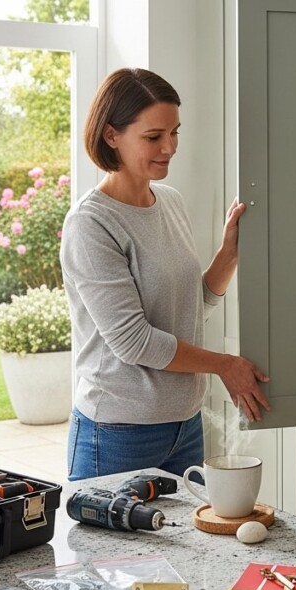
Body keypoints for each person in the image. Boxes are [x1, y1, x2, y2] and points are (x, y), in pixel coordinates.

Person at [60, 68, 270, 482]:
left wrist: (228, 253)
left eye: (175, 132)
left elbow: (193, 306)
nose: (170, 147)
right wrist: (225, 365)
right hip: (117, 433)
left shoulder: (169, 202)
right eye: (153, 137)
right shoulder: (91, 224)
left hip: (185, 426)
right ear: (110, 135)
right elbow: (133, 341)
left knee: (194, 550)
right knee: (116, 551)